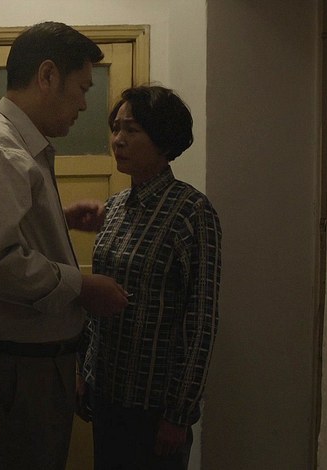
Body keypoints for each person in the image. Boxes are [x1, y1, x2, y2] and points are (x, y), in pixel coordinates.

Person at [0, 21, 129, 470]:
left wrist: (55, 219)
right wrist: (83, 286)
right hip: (10, 372)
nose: (84, 104)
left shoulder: (14, 146)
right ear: (47, 76)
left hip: (21, 367)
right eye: (82, 88)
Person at [79, 86, 222, 470]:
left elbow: (201, 320)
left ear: (163, 139)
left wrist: (180, 412)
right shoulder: (115, 207)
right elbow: (97, 305)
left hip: (155, 404)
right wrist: (84, 371)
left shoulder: (192, 211)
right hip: (106, 393)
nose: (118, 140)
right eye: (115, 128)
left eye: (132, 130)